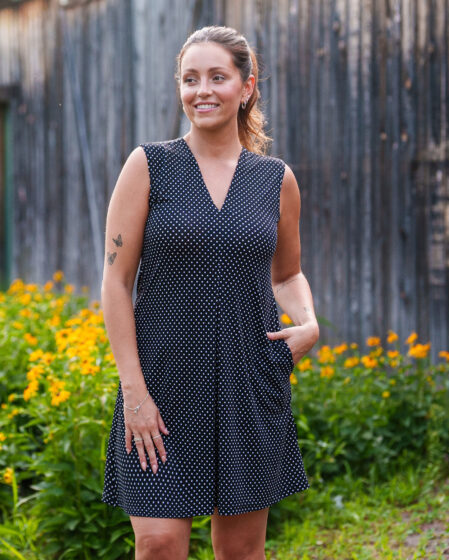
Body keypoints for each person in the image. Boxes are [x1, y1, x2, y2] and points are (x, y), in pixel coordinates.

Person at [100, 24, 319, 560]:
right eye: (190, 78)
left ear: (246, 87)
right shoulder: (149, 166)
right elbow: (115, 281)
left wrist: (308, 323)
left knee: (241, 553)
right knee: (157, 545)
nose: (202, 90)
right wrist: (134, 392)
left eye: (217, 77)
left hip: (248, 382)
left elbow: (287, 274)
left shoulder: (275, 179)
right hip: (161, 385)